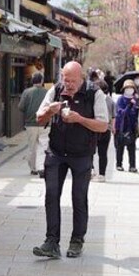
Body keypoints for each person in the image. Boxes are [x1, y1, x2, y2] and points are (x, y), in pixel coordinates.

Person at [32, 62, 109, 259]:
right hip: (56, 152)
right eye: (66, 80)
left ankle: (76, 241)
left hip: (82, 154)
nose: (69, 85)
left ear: (81, 77)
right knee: (51, 195)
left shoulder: (95, 94)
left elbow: (102, 126)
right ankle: (51, 242)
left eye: (73, 81)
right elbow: (38, 118)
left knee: (79, 197)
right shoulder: (56, 90)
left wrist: (79, 119)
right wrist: (50, 111)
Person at [18, 72, 49, 176]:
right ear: (41, 81)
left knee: (32, 147)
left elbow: (21, 107)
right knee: (43, 145)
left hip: (30, 123)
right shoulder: (47, 92)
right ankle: (42, 167)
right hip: (45, 123)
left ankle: (33, 168)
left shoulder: (27, 92)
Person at [115, 80, 139, 173]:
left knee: (132, 147)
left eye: (131, 88)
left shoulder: (136, 100)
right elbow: (122, 112)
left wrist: (137, 107)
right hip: (121, 126)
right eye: (127, 88)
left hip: (132, 127)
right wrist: (130, 105)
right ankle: (119, 164)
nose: (129, 90)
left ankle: (132, 165)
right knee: (120, 147)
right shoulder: (121, 99)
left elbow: (135, 113)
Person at [95, 78, 116, 181]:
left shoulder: (95, 98)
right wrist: (113, 127)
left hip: (94, 128)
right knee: (103, 153)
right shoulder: (110, 100)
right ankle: (102, 174)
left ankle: (91, 171)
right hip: (106, 129)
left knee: (91, 151)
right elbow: (113, 116)